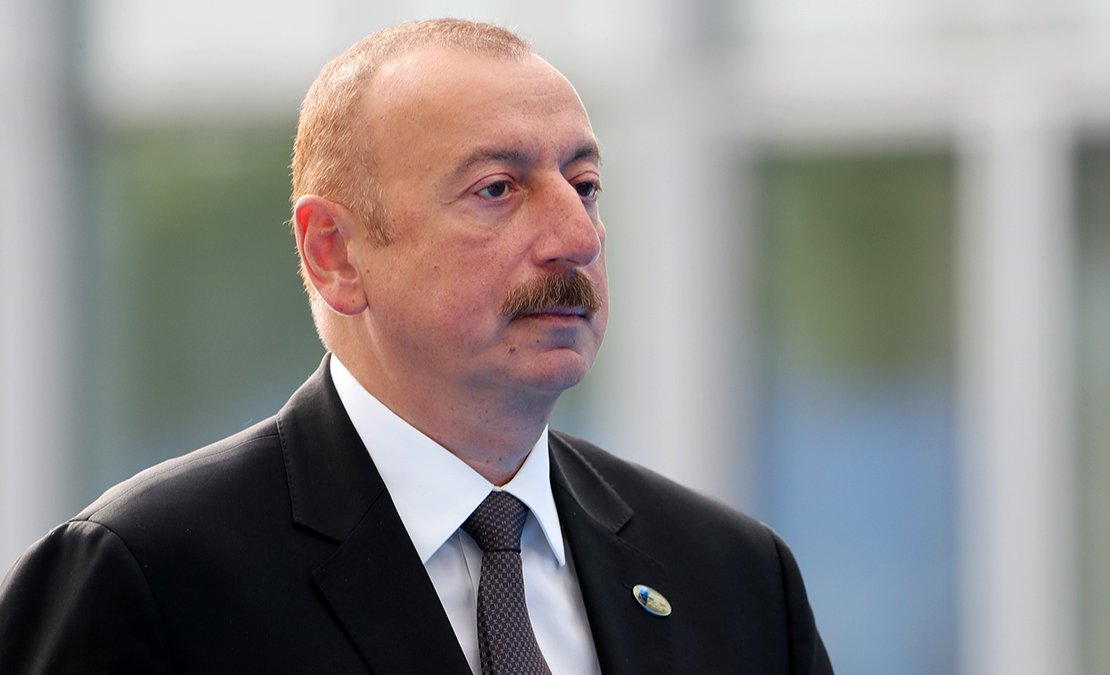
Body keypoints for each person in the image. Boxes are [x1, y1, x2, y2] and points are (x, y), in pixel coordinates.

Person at [0, 19, 833, 674]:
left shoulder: (733, 577)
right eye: (497, 189)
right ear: (334, 253)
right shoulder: (149, 577)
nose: (577, 237)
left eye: (584, 186)